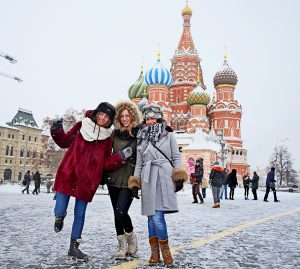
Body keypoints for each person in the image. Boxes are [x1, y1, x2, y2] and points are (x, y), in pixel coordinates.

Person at [50, 102, 132, 261]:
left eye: (107, 117)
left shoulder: (107, 137)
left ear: (110, 120)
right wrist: (56, 128)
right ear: (96, 113)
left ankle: (74, 247)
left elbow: (106, 161)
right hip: (69, 173)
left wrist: (120, 157)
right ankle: (59, 216)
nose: (103, 118)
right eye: (101, 114)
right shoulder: (81, 125)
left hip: (88, 180)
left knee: (80, 214)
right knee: (60, 208)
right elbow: (64, 142)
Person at [128, 103, 188, 267]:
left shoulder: (168, 135)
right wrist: (135, 182)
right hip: (147, 178)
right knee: (150, 216)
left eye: (154, 118)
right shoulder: (140, 137)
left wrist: (178, 176)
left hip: (163, 176)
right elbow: (139, 163)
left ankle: (165, 250)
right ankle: (155, 252)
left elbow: (176, 157)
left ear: (159, 118)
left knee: (158, 217)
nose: (151, 121)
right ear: (145, 119)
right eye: (148, 118)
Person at [105, 100, 142, 259]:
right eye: (122, 116)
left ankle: (131, 238)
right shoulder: (114, 134)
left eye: (127, 116)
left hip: (129, 179)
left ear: (133, 116)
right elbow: (105, 152)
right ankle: (121, 245)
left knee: (121, 211)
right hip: (113, 177)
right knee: (116, 213)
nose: (125, 118)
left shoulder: (139, 134)